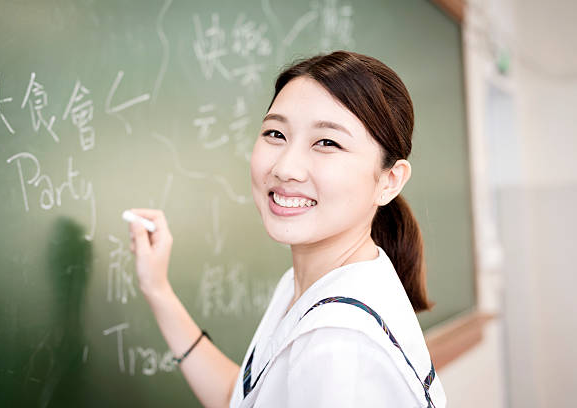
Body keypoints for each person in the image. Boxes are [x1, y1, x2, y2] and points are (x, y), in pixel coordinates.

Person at [128, 50, 447, 408]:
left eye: (327, 142)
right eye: (275, 133)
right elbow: (240, 398)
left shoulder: (338, 344)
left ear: (389, 181)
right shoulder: (314, 285)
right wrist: (157, 289)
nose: (285, 167)